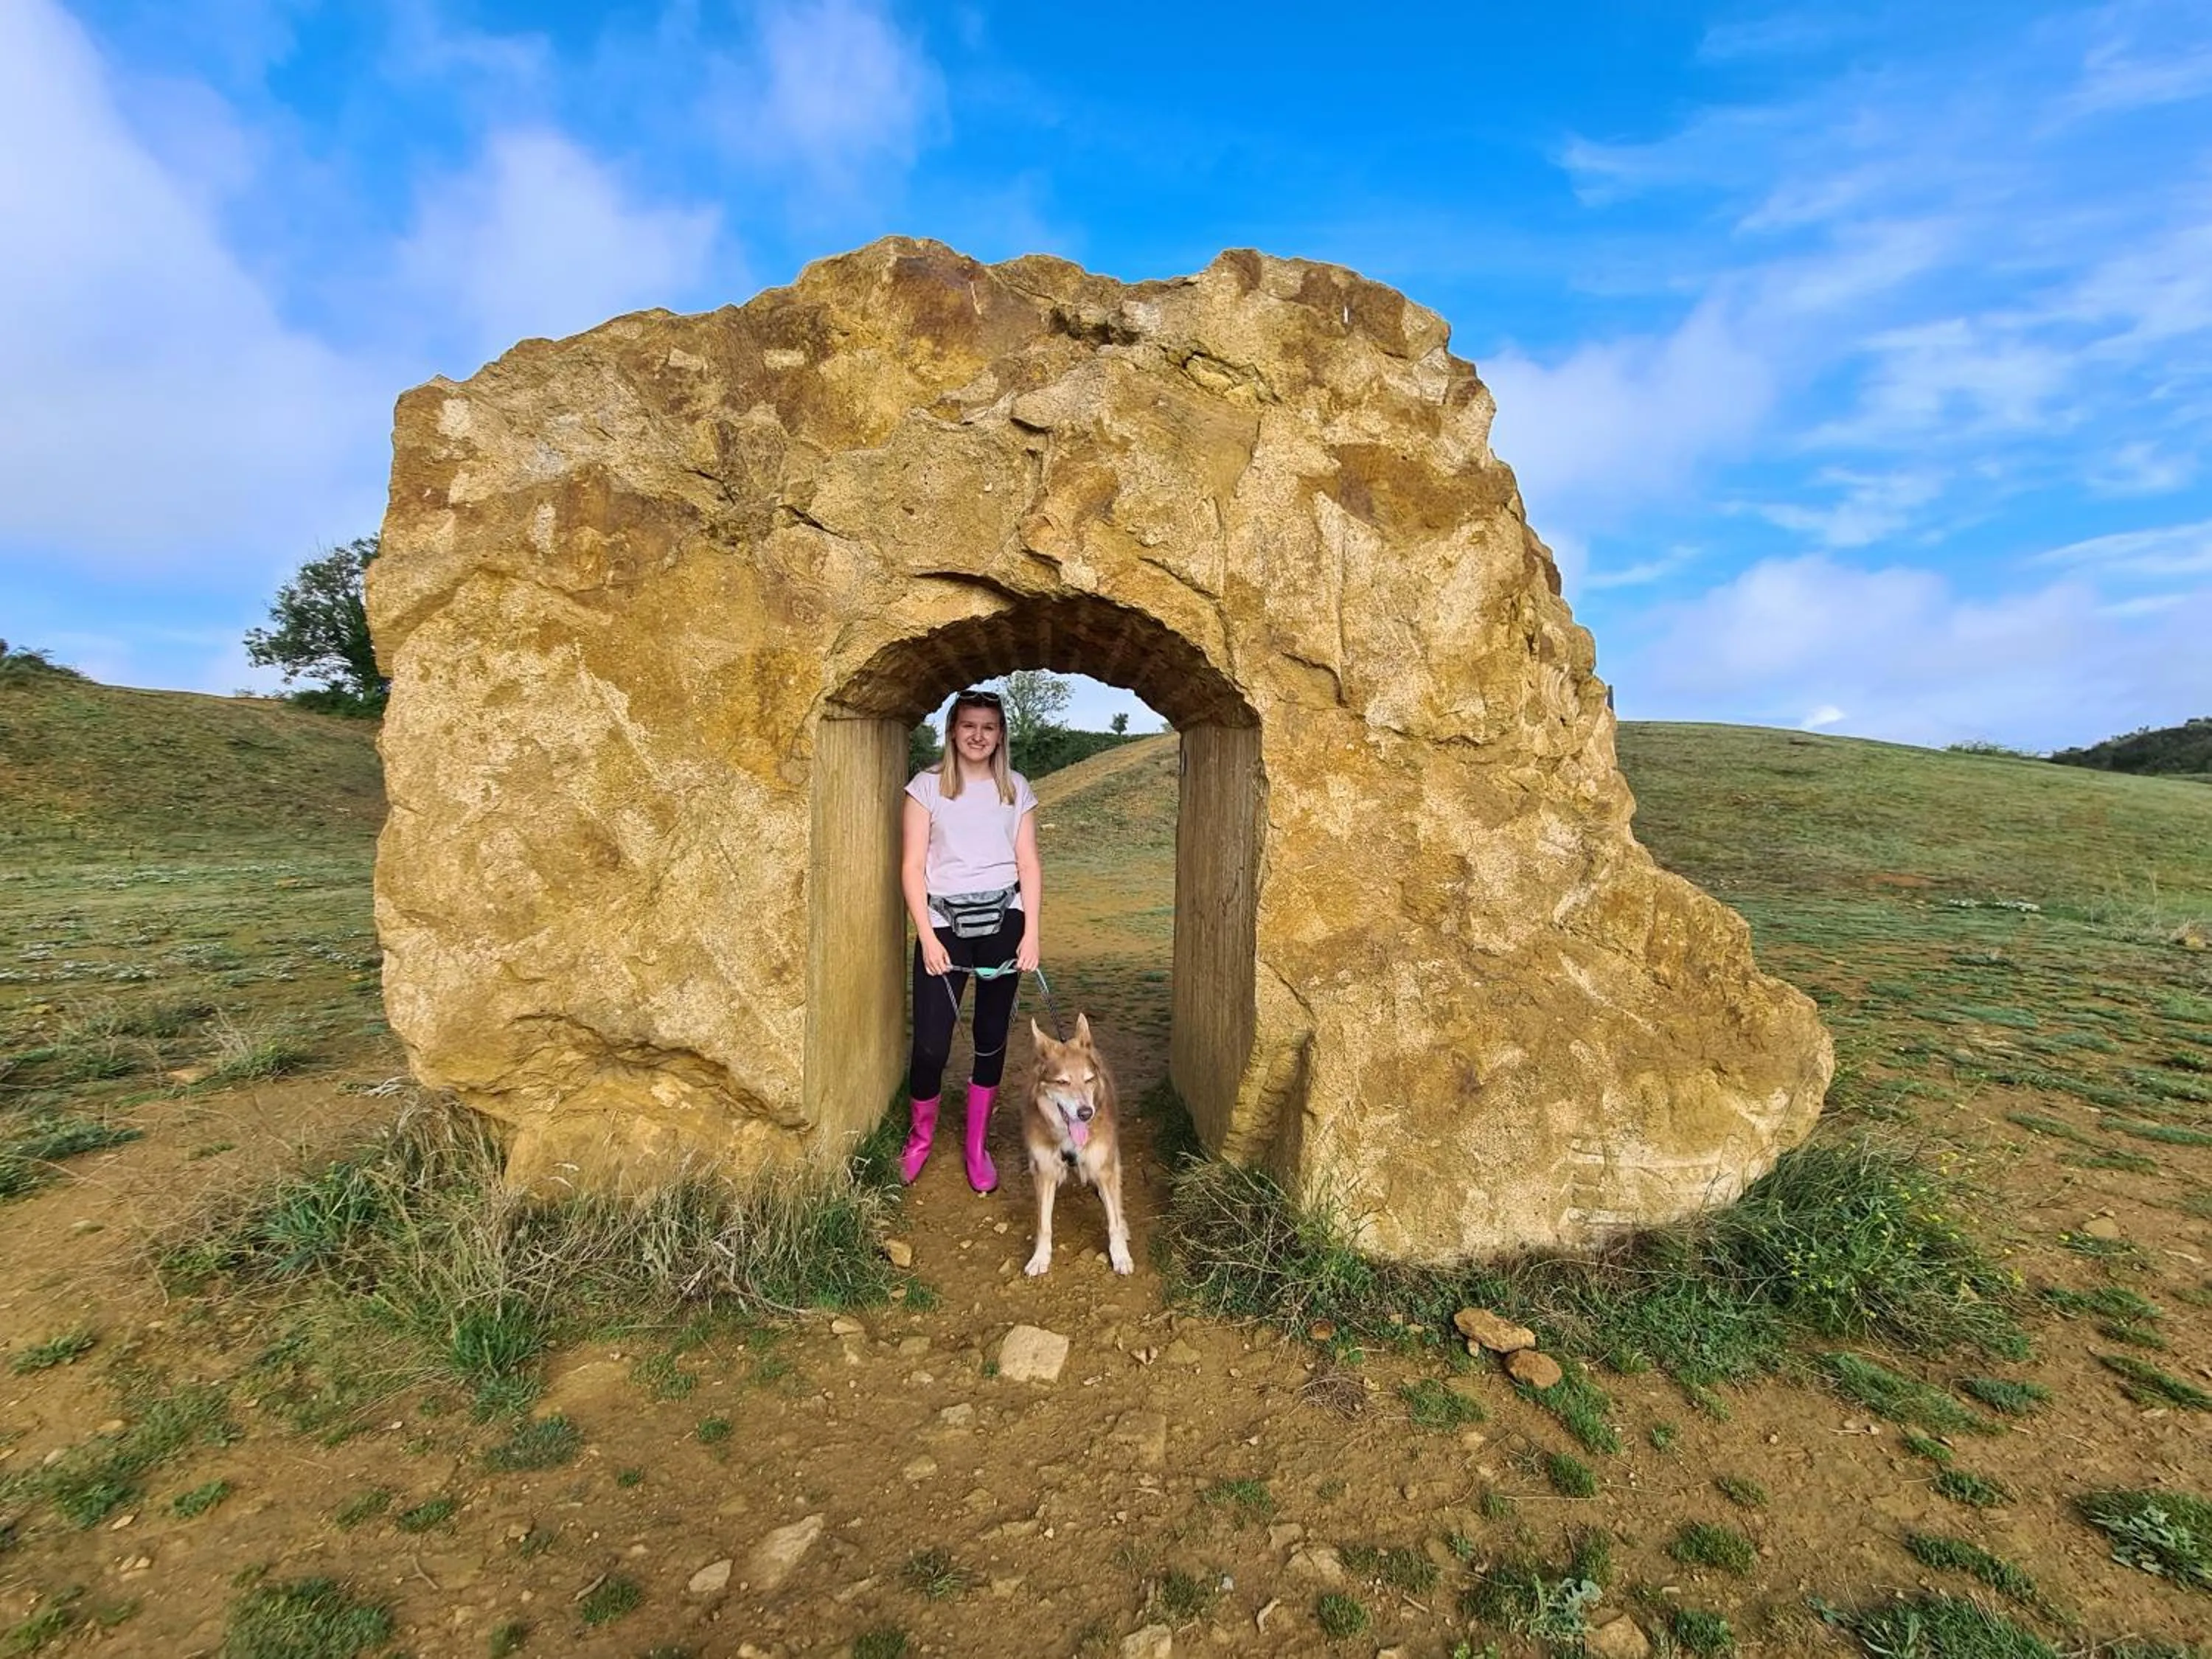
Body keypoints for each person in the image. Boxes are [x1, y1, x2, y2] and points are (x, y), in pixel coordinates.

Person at [898, 688, 1041, 1192]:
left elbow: (1028, 863)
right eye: (969, 726)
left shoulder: (1015, 788)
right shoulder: (927, 787)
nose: (978, 736)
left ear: (1000, 734)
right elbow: (913, 867)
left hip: (1005, 923)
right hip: (943, 927)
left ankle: (976, 1146)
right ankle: (919, 1140)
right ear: (953, 731)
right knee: (933, 1045)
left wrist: (1032, 934)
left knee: (990, 1039)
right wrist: (926, 937)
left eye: (989, 727)